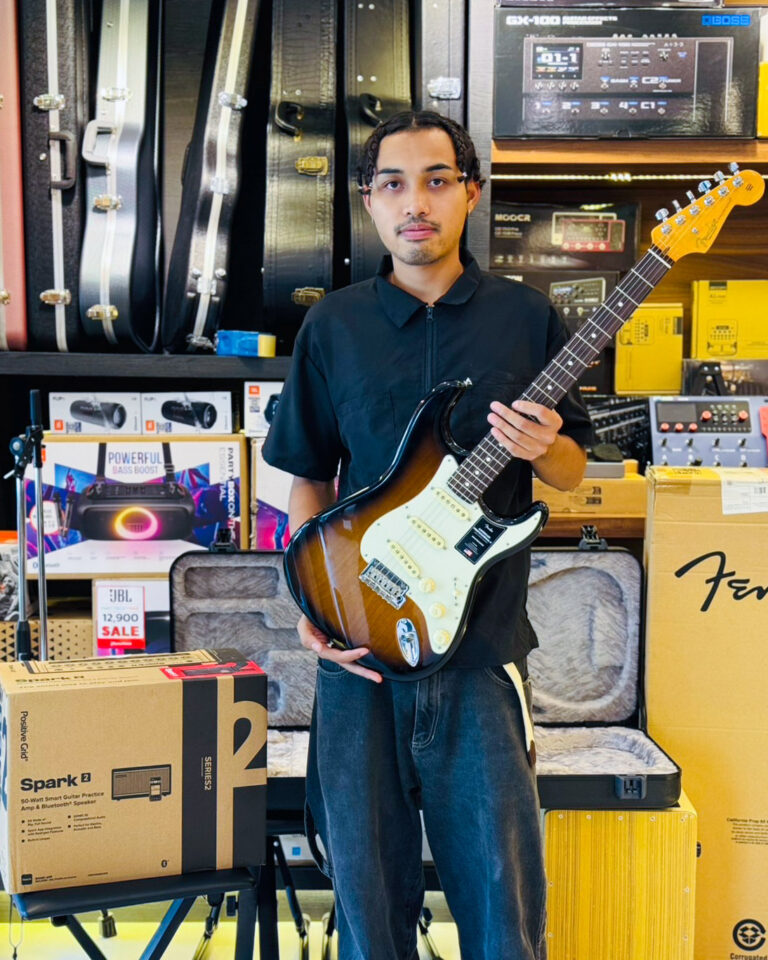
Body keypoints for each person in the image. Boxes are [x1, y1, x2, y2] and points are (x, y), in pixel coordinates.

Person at [262, 110, 593, 960]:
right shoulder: (333, 326)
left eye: (437, 180)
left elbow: (570, 471)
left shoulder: (527, 317)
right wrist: (310, 603)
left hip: (481, 655)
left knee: (501, 905)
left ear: (470, 193)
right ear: (369, 201)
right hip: (360, 651)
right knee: (367, 906)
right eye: (394, 184)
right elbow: (308, 477)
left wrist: (544, 446)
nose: (416, 202)